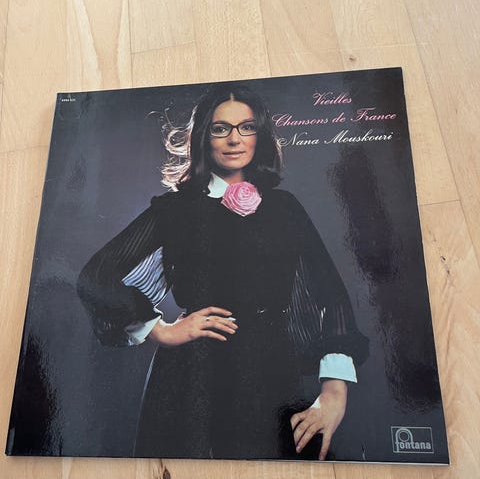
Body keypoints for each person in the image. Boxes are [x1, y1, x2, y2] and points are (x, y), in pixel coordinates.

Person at [77, 84, 369, 460]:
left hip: (269, 369)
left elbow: (331, 296)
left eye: (246, 127)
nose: (234, 139)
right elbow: (96, 276)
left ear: (260, 135)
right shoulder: (174, 210)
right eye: (220, 128)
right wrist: (161, 330)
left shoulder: (284, 208)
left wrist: (334, 393)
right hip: (187, 375)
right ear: (204, 137)